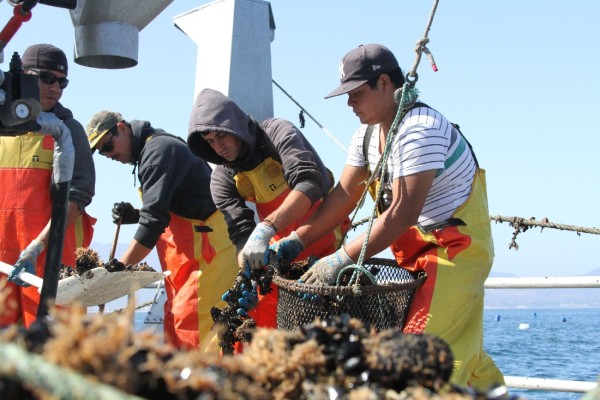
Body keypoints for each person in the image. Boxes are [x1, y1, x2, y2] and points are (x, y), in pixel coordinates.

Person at [272, 44, 505, 390]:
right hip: (413, 259)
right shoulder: (366, 136)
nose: (349, 103)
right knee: (462, 355)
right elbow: (343, 196)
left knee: (423, 358)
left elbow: (401, 214)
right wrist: (297, 240)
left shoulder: (419, 130)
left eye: (355, 93)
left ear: (384, 83)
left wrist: (339, 259)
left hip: (453, 256)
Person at [187, 88, 348, 331]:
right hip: (281, 256)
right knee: (264, 324)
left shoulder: (277, 133)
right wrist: (248, 276)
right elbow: (241, 235)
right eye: (210, 142)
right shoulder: (222, 179)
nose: (218, 147)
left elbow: (309, 183)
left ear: (235, 125)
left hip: (326, 242)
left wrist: (266, 227)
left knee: (335, 328)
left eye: (221, 135)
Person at [86, 110, 238, 351]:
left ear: (122, 128)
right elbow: (167, 207)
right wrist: (136, 215)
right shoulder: (150, 152)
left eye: (108, 144)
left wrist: (118, 269)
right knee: (175, 318)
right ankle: (179, 382)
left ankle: (202, 383)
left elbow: (153, 223)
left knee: (194, 322)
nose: (108, 154)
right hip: (186, 257)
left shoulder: (158, 152)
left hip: (209, 251)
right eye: (101, 151)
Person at [0, 44, 96, 328]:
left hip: (49, 260)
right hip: (3, 262)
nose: (55, 87)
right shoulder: (3, 129)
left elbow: (78, 198)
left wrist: (37, 247)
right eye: (46, 78)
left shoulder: (68, 130)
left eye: (61, 81)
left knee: (54, 347)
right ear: (25, 75)